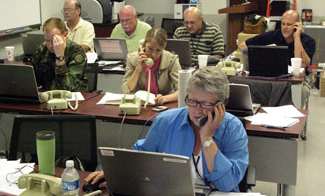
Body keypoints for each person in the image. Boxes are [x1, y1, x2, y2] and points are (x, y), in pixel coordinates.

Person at [85, 66, 248, 192]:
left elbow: (227, 184)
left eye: (205, 104)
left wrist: (207, 139)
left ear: (221, 105)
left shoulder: (233, 129)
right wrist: (117, 172)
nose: (197, 110)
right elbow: (140, 157)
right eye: (192, 101)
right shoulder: (166, 121)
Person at [239, 10, 316, 108]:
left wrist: (297, 37)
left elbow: (301, 64)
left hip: (297, 82)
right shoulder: (273, 35)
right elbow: (243, 46)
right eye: (283, 24)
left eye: (289, 24)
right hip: (271, 78)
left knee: (301, 92)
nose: (285, 27)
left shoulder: (308, 41)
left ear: (297, 26)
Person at [121, 28, 181, 105]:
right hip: (141, 103)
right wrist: (138, 69)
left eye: (158, 50)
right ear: (144, 44)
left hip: (165, 103)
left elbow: (183, 90)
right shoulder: (132, 58)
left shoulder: (171, 60)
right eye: (150, 48)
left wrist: (164, 98)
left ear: (163, 48)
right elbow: (126, 90)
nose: (153, 54)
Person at [32, 18, 88, 92]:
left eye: (54, 40)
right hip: (49, 96)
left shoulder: (77, 52)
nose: (50, 45)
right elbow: (35, 81)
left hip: (75, 98)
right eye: (47, 40)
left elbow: (68, 88)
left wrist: (60, 57)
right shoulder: (42, 49)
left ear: (65, 35)